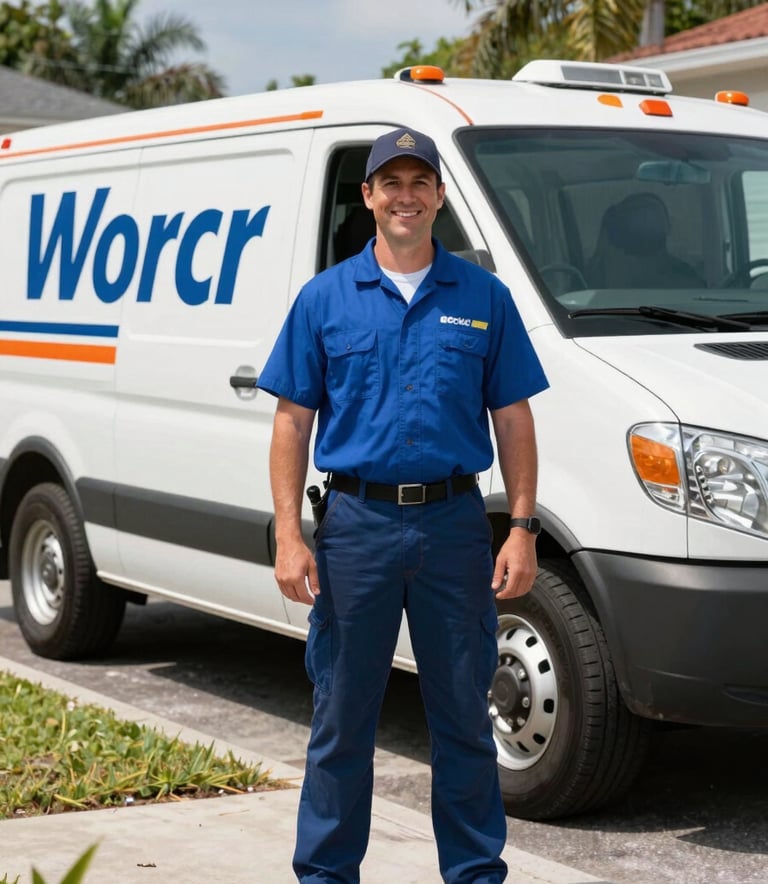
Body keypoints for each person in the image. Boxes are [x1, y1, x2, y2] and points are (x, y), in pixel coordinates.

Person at [257, 127, 549, 884]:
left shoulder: (484, 298)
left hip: (455, 528)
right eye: (391, 182)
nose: (406, 196)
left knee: (462, 722)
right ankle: (325, 876)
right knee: (342, 722)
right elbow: (292, 422)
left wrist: (521, 527)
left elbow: (513, 417)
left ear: (440, 196)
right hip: (357, 529)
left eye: (420, 181)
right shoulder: (325, 300)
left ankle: (475, 874)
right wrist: (290, 536)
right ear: (369, 197)